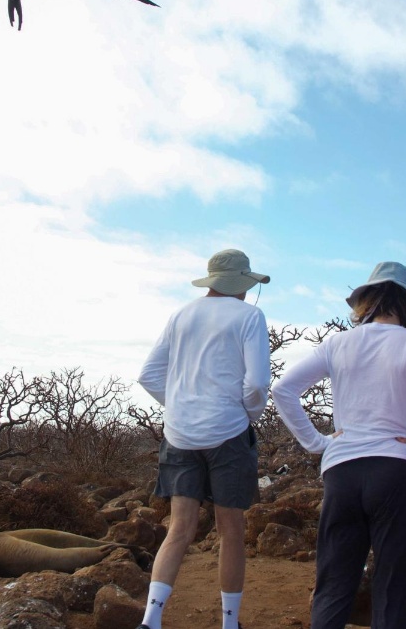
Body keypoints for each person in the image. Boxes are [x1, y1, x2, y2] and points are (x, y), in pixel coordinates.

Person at [272, 261, 406, 629]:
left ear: (365, 302)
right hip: (395, 470)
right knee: (394, 584)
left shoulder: (338, 343)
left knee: (334, 581)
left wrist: (318, 443)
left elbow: (283, 389)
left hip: (342, 472)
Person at [136, 248, 271, 629]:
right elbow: (257, 383)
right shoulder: (250, 316)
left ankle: (151, 620)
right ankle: (229, 624)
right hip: (228, 433)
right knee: (231, 530)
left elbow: (148, 375)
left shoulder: (180, 315)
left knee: (179, 529)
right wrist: (247, 415)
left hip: (179, 435)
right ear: (241, 283)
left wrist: (181, 406)